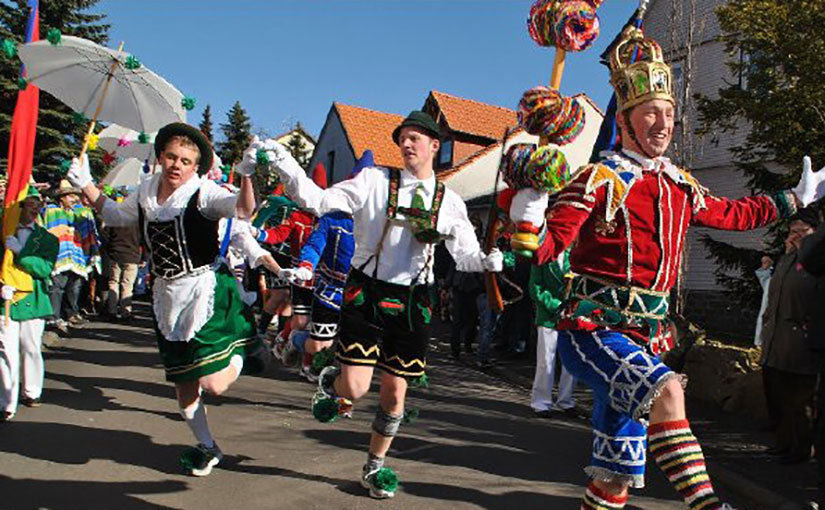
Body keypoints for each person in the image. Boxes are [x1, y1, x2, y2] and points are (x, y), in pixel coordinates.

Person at [520, 26, 814, 509]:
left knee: (613, 476)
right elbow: (550, 249)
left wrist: (792, 198)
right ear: (627, 120)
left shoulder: (680, 184)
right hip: (593, 331)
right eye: (651, 112)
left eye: (670, 113)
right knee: (669, 392)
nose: (662, 123)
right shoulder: (598, 177)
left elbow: (732, 215)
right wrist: (530, 221)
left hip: (644, 336)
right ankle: (709, 506)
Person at [252, 110, 503, 499]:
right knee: (354, 389)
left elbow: (465, 253)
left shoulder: (449, 201)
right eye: (403, 137)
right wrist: (286, 164)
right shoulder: (373, 181)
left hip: (414, 303)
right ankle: (326, 373)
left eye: (415, 137)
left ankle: (375, 465)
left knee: (395, 393)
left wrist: (487, 261)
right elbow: (317, 200)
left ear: (435, 146)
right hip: (367, 292)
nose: (406, 143)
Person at [66, 122, 262, 476]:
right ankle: (207, 446)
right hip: (165, 296)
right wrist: (87, 185)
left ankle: (243, 346)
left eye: (186, 160)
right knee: (183, 385)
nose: (177, 165)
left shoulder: (203, 193)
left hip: (204, 290)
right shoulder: (143, 192)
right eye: (172, 157)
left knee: (214, 384)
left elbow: (244, 210)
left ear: (195, 166)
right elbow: (113, 215)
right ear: (160, 157)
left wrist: (246, 175)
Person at [759, 208, 821, 465]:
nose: (795, 236)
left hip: (800, 343)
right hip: (776, 340)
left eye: (802, 232)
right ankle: (783, 444)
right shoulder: (786, 259)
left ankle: (802, 450)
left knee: (800, 401)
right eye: (792, 231)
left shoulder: (815, 262)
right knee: (778, 398)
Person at [0, 185, 59, 421]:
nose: (35, 208)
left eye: (38, 204)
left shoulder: (47, 239)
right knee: (5, 351)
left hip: (33, 299)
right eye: (30, 203)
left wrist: (21, 253)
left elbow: (44, 268)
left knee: (31, 347)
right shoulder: (3, 230)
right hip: (5, 299)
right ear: (19, 206)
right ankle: (5, 401)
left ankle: (31, 391)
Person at [42, 180, 101, 332]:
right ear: (61, 197)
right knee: (57, 287)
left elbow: (87, 232)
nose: (74, 199)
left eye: (75, 196)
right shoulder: (51, 211)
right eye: (70, 196)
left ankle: (70, 313)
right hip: (58, 256)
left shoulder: (78, 213)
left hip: (75, 255)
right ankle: (53, 317)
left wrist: (91, 251)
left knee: (74, 286)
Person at [529, 247, 578, 419]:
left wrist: (575, 307)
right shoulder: (542, 255)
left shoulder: (576, 254)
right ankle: (541, 401)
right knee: (545, 360)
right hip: (548, 316)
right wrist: (557, 306)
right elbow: (535, 288)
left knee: (571, 361)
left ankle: (566, 400)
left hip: (572, 316)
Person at [101, 221, 141, 322]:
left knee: (113, 282)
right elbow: (144, 238)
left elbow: (105, 235)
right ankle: (126, 312)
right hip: (132, 255)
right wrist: (144, 257)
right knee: (127, 284)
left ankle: (112, 311)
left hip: (115, 254)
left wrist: (110, 249)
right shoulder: (137, 222)